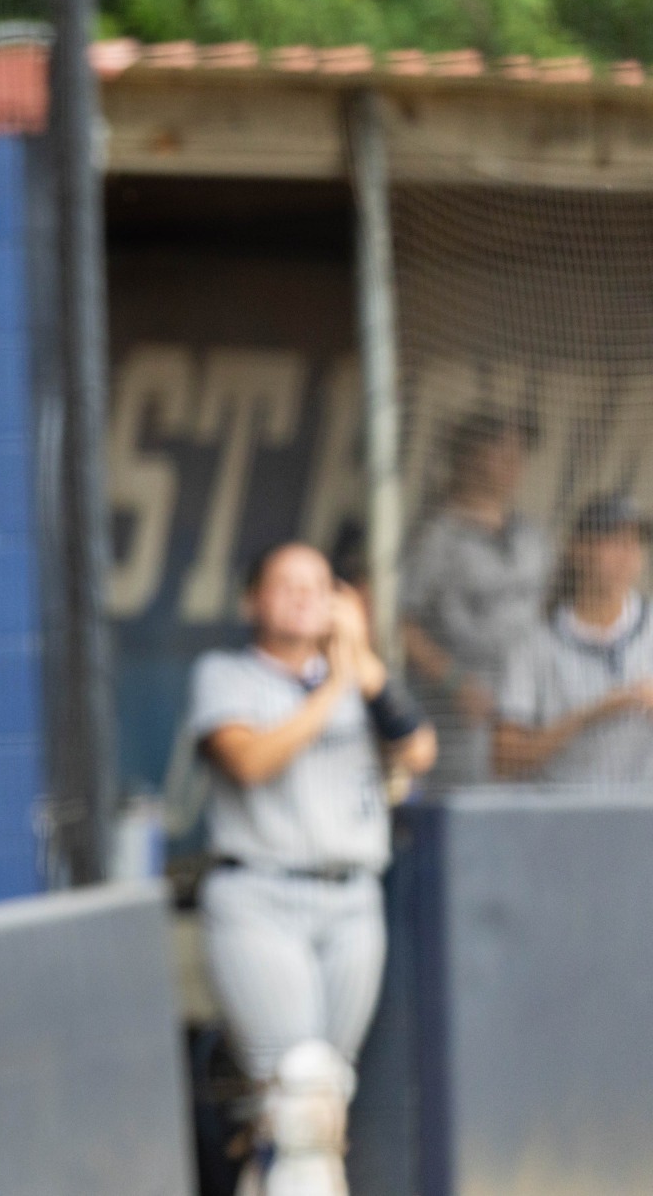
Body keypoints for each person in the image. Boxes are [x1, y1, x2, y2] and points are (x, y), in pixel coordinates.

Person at [184, 542, 436, 1196]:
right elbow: (251, 760)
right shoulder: (227, 673)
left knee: (321, 1101)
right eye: (287, 584)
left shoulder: (361, 678)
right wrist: (335, 684)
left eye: (320, 586)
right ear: (253, 600)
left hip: (352, 898)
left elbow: (420, 748)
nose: (305, 597)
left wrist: (363, 664)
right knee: (300, 1090)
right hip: (261, 896)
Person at [400, 412, 550, 788]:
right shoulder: (436, 536)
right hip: (458, 713)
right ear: (470, 456)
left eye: (518, 452)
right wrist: (455, 682)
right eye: (501, 450)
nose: (514, 462)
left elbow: (545, 615)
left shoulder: (531, 536)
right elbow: (399, 624)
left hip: (524, 710)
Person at [494, 494, 653, 785]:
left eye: (635, 541)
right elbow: (505, 759)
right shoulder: (536, 643)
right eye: (613, 540)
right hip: (566, 816)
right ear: (578, 549)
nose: (627, 553)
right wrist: (593, 713)